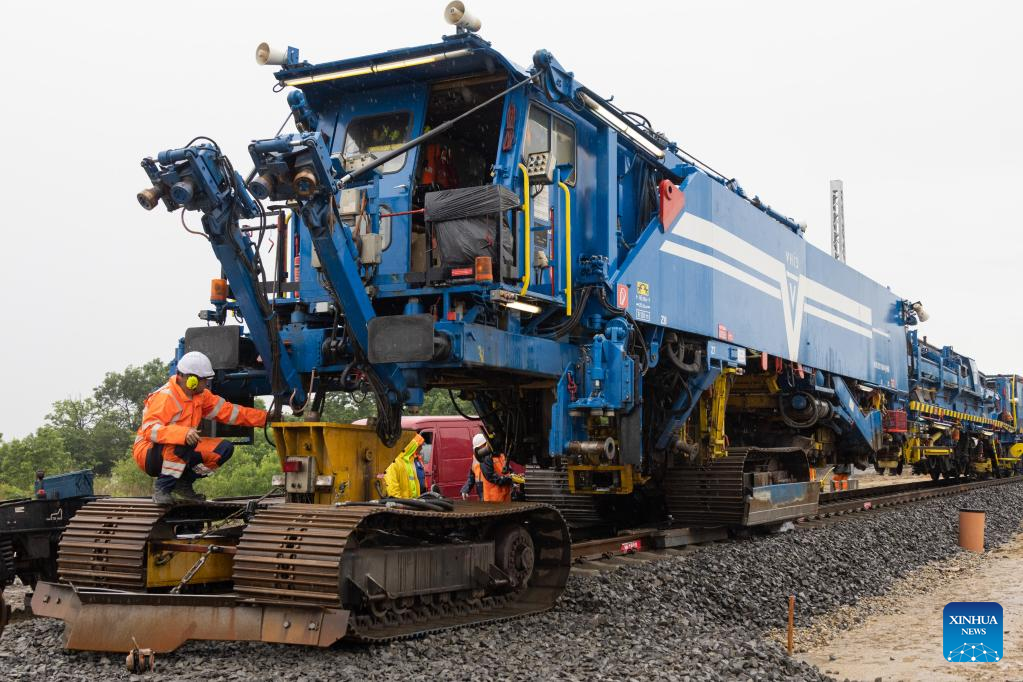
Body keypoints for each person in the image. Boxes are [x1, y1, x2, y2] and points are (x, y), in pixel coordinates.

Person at [133, 352, 268, 505]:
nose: (207, 384)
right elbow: (150, 430)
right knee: (183, 441)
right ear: (191, 379)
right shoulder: (165, 397)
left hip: (180, 448)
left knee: (223, 449)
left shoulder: (201, 396)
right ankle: (162, 489)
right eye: (204, 380)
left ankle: (183, 482)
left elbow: (230, 412)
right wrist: (182, 434)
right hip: (148, 454)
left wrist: (265, 418)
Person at [471, 433, 524, 503]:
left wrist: (514, 476)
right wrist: (509, 479)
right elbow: (491, 477)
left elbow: (508, 469)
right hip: (493, 499)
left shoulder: (500, 454)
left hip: (505, 496)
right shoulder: (485, 458)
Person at [384, 434, 425, 498]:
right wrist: (398, 502)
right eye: (419, 446)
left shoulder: (409, 461)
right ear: (411, 446)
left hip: (412, 502)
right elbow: (392, 488)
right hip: (402, 503)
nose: (421, 448)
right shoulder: (394, 463)